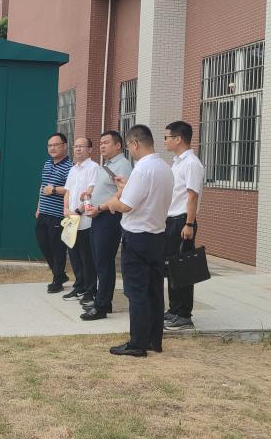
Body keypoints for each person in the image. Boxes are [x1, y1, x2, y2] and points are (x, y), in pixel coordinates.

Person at [100, 124, 174, 357]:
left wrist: (111, 203)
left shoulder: (142, 169)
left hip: (137, 236)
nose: (130, 151)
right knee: (154, 290)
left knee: (136, 292)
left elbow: (126, 205)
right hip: (157, 234)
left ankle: (137, 343)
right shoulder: (165, 167)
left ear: (134, 144)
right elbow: (145, 195)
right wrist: (126, 186)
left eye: (129, 147)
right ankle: (153, 339)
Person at [80, 130, 133, 321]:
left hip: (109, 217)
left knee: (104, 262)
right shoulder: (107, 165)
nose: (102, 146)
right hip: (97, 215)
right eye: (100, 143)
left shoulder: (123, 165)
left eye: (106, 142)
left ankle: (101, 306)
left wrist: (100, 207)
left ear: (118, 145)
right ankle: (102, 301)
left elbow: (123, 192)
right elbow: (104, 189)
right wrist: (89, 195)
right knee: (99, 260)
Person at [163, 121, 204, 331]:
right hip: (172, 219)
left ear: (178, 139)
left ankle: (184, 314)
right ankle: (174, 309)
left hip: (182, 221)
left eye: (167, 137)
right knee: (172, 267)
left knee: (183, 268)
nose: (165, 141)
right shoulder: (177, 162)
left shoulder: (191, 163)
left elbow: (192, 196)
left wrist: (189, 223)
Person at [62, 137, 100, 301]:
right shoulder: (73, 169)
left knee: (87, 257)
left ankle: (90, 290)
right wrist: (66, 209)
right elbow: (68, 191)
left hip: (85, 221)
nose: (77, 149)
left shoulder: (94, 168)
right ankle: (79, 287)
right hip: (71, 219)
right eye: (75, 146)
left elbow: (90, 192)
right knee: (74, 256)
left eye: (81, 146)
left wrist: (78, 210)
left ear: (90, 149)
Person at [35, 133, 73, 293]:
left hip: (58, 215)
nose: (52, 148)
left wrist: (55, 190)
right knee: (43, 244)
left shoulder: (70, 167)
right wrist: (38, 207)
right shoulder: (47, 164)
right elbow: (43, 186)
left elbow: (72, 188)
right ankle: (60, 274)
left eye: (56, 145)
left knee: (57, 248)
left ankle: (57, 280)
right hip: (43, 212)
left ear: (64, 146)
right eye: (50, 145)